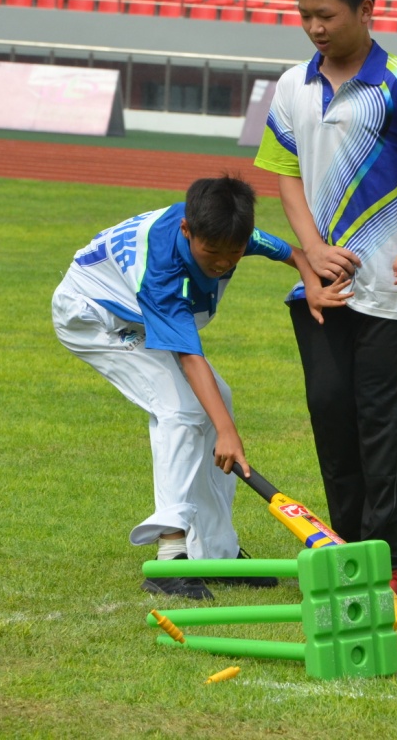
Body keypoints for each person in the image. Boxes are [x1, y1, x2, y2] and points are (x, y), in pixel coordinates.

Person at [253, 0, 397, 602]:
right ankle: (346, 550)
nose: (314, 27)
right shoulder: (290, 87)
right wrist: (309, 252)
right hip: (319, 291)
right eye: (304, 14)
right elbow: (283, 177)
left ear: (365, 9)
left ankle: (389, 559)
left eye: (327, 15)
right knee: (330, 414)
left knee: (381, 423)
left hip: (389, 293)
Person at [51, 176, 338, 599]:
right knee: (181, 410)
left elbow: (291, 253)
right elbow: (190, 358)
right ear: (187, 230)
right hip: (93, 317)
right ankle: (169, 556)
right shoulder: (164, 269)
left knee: (217, 400)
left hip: (134, 315)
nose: (223, 262)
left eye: (233, 253)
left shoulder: (226, 228)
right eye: (212, 253)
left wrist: (312, 281)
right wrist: (227, 433)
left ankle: (217, 553)